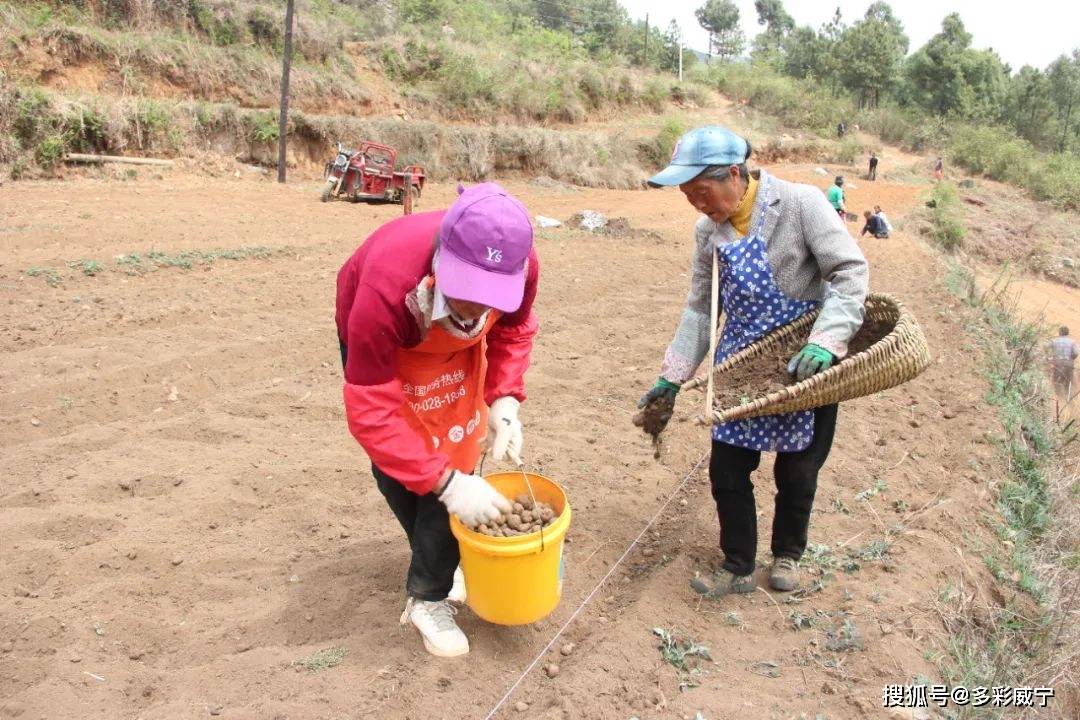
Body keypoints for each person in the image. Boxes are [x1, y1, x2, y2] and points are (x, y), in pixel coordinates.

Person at [637, 126, 869, 596]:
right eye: (688, 196)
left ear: (736, 175)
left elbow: (849, 271)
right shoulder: (708, 233)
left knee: (798, 469)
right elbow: (702, 307)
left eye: (702, 191)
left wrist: (826, 340)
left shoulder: (801, 204)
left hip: (805, 364)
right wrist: (672, 378)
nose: (697, 204)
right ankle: (738, 563)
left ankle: (788, 554)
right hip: (741, 364)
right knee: (727, 470)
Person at [336, 182, 539, 657]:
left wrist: (504, 399)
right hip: (396, 343)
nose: (477, 307)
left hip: (456, 358)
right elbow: (371, 408)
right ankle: (437, 548)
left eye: (492, 294)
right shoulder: (385, 287)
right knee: (399, 466)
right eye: (468, 291)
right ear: (443, 259)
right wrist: (447, 487)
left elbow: (513, 330)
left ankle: (428, 596)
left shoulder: (522, 263)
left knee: (456, 448)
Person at [1049, 326, 1079, 417]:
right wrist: (1071, 359)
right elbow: (1076, 353)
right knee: (1068, 384)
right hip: (1068, 365)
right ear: (1067, 333)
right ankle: (1070, 405)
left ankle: (1058, 402)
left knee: (1056, 383)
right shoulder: (1072, 342)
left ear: (1059, 332)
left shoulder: (1054, 341)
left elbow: (1046, 349)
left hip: (1057, 365)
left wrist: (1050, 358)